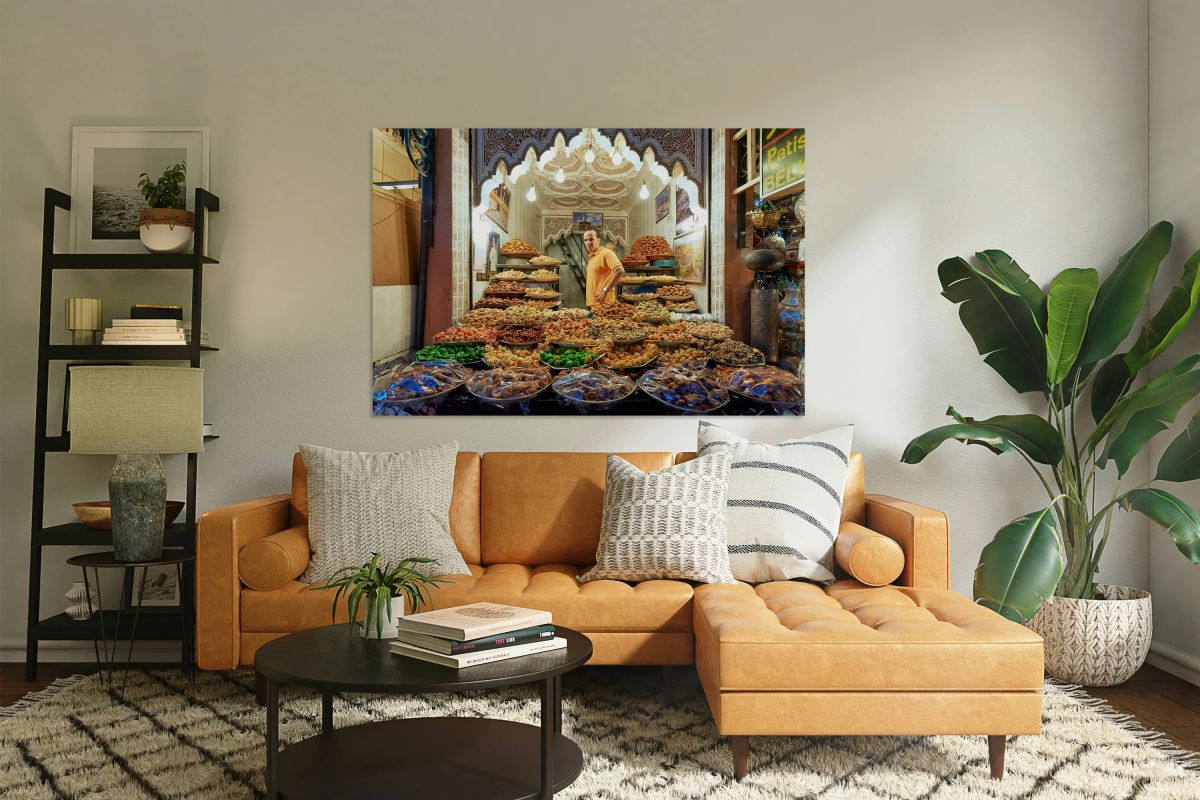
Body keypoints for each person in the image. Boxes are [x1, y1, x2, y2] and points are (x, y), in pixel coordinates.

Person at [583, 228, 624, 307]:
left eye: (591, 239)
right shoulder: (592, 256)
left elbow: (619, 270)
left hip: (604, 305)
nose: (588, 243)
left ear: (598, 240)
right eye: (585, 240)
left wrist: (604, 291)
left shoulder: (606, 253)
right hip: (593, 304)